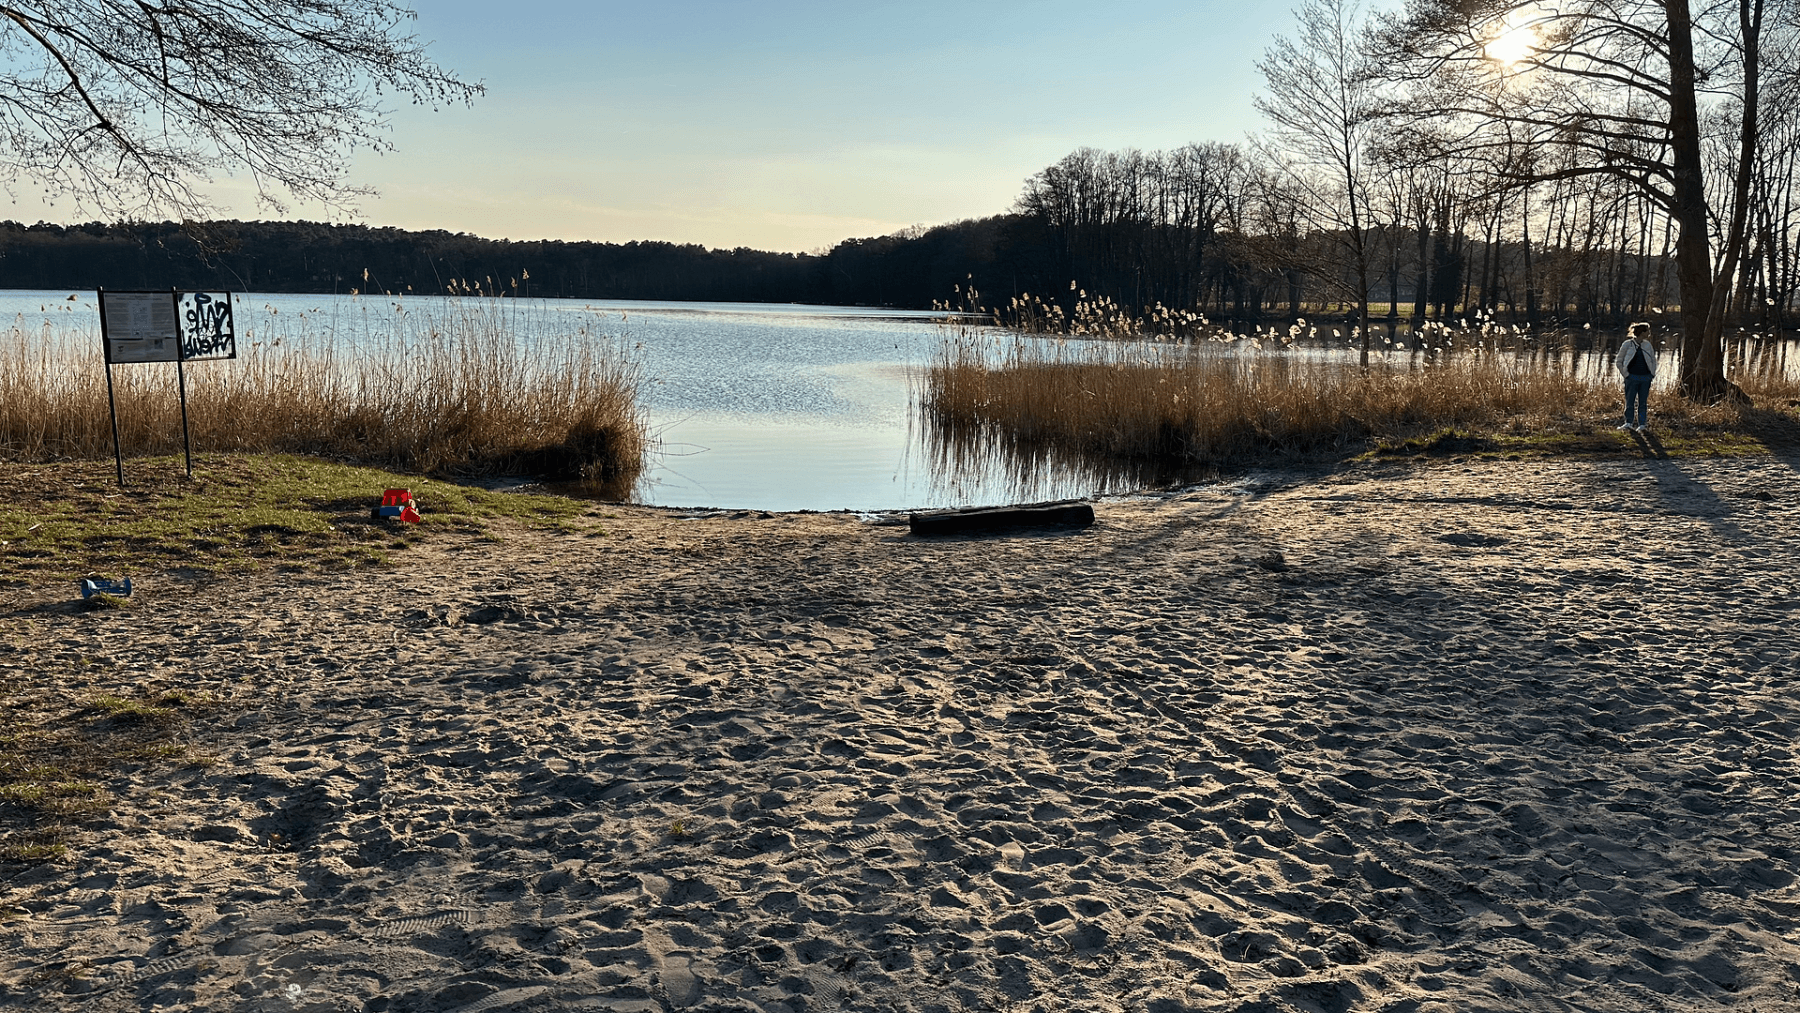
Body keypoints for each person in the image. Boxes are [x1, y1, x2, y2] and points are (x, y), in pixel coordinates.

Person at [1614, 322, 1657, 431]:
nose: (1649, 333)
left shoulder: (1647, 345)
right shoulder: (1627, 344)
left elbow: (1653, 360)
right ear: (1642, 332)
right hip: (1632, 378)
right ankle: (1628, 423)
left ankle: (1642, 425)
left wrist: (1651, 374)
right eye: (1648, 331)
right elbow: (1619, 361)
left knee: (1643, 402)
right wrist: (1626, 375)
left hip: (1645, 378)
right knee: (1630, 401)